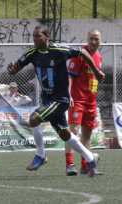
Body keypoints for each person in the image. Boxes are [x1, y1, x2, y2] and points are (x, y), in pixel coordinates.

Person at [7, 25, 105, 177]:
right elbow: (15, 69)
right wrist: (11, 69)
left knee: (34, 119)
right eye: (33, 36)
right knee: (65, 135)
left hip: (60, 100)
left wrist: (97, 72)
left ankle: (41, 155)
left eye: (38, 36)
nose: (34, 39)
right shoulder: (32, 53)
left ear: (47, 37)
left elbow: (83, 52)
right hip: (47, 100)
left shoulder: (59, 50)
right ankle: (91, 158)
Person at [65, 30, 103, 176]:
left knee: (87, 135)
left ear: (100, 40)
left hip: (91, 102)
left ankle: (85, 165)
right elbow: (70, 76)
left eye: (97, 39)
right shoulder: (79, 54)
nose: (94, 42)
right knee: (72, 132)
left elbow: (93, 77)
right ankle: (70, 164)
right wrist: (68, 94)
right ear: (87, 39)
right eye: (91, 39)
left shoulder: (99, 56)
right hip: (78, 100)